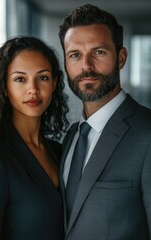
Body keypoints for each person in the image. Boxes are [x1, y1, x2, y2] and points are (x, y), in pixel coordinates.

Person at [58, 4, 151, 240]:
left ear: (121, 58)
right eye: (75, 55)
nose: (86, 66)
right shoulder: (71, 137)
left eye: (98, 52)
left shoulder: (147, 133)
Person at [0, 36, 69, 240]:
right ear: (4, 87)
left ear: (55, 83)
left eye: (42, 77)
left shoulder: (59, 151)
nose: (33, 89)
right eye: (20, 79)